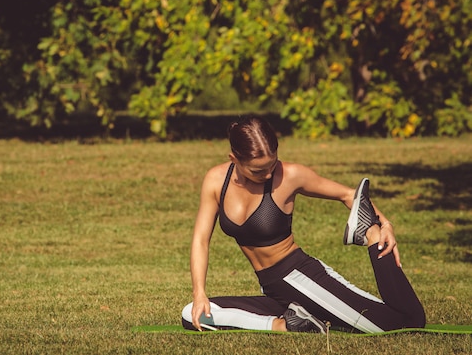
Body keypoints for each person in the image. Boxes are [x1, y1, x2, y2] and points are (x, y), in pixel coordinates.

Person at [181, 116, 425, 333]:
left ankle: (369, 235)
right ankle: (288, 323)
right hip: (273, 288)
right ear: (234, 159)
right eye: (257, 170)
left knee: (404, 322)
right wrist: (199, 292)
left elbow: (350, 195)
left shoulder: (290, 175)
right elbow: (201, 240)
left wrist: (385, 225)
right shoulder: (215, 180)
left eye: (271, 165)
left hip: (301, 277)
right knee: (194, 312)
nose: (267, 174)